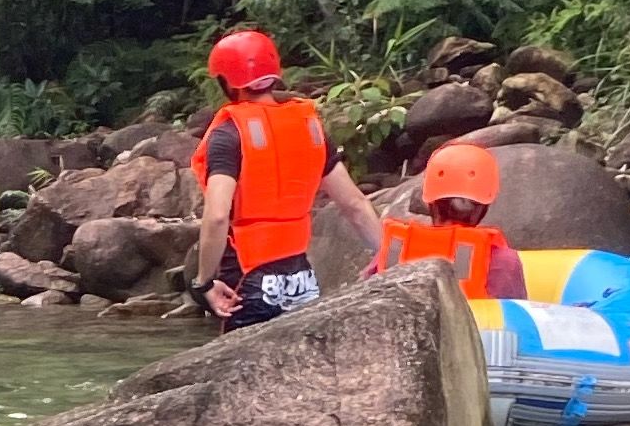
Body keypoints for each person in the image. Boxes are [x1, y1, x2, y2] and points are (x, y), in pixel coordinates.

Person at [187, 29, 383, 328]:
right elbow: (354, 204)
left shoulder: (228, 135)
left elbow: (216, 216)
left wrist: (203, 283)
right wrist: (383, 253)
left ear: (227, 82)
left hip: (247, 278)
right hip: (300, 279)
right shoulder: (309, 128)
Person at [375, 136, 528, 306]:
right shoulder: (502, 261)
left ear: (429, 201)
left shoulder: (393, 250)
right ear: (484, 205)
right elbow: (518, 322)